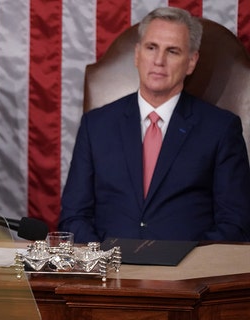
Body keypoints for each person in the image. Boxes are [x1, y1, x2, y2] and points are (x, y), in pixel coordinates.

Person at [58, 7, 250, 243]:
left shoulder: (220, 129)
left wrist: (186, 265)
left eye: (172, 51)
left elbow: (235, 223)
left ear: (191, 62)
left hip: (187, 275)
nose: (159, 61)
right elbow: (74, 216)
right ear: (137, 55)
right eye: (151, 48)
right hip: (108, 271)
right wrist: (101, 260)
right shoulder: (96, 125)